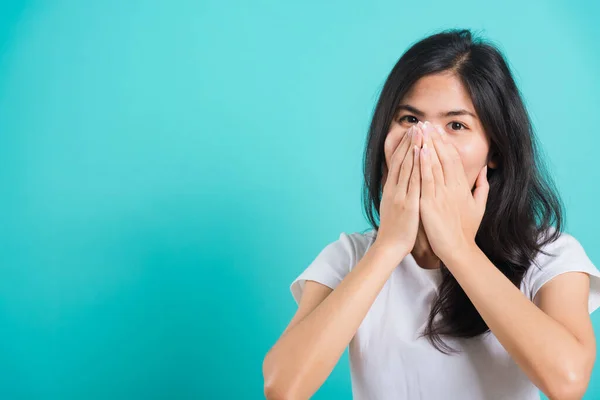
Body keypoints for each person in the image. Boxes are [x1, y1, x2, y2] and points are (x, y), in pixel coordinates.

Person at [262, 28, 600, 400]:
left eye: (456, 125)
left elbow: (568, 383)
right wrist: (389, 246)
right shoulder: (350, 258)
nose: (425, 142)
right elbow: (283, 386)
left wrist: (458, 249)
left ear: (494, 151)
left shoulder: (549, 256)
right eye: (409, 120)